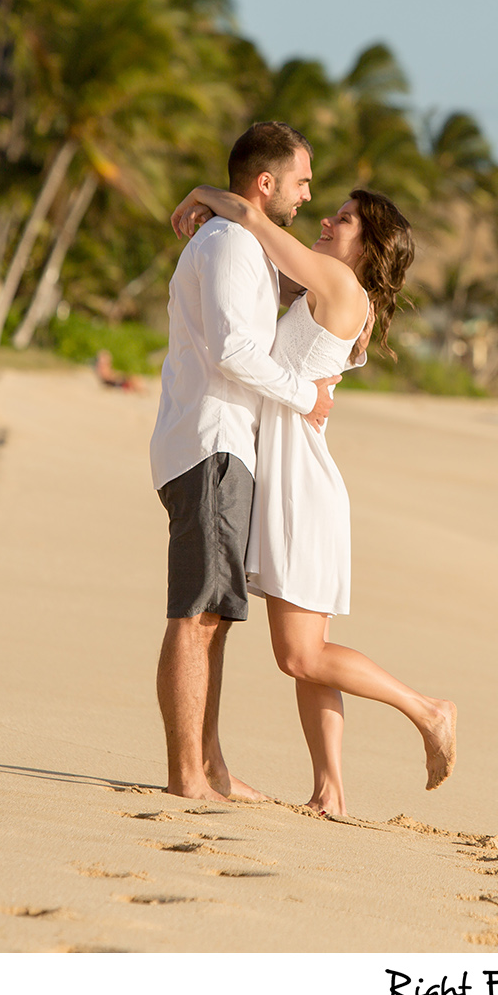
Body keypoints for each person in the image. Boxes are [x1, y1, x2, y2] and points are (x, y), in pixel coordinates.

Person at [171, 182, 457, 818]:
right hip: (297, 481)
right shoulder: (339, 293)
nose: (328, 219)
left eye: (347, 219)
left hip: (300, 488)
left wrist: (200, 193)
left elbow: (251, 216)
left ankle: (428, 710)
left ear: (370, 242)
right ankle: (329, 790)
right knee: (310, 658)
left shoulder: (336, 284)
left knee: (299, 656)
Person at [149, 122, 340, 803]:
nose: (309, 192)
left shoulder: (244, 242)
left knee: (216, 617)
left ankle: (211, 766)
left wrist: (208, 192)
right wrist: (305, 397)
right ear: (267, 183)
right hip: (213, 442)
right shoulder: (230, 243)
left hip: (218, 444)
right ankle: (186, 775)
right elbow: (234, 350)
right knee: (197, 612)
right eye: (302, 180)